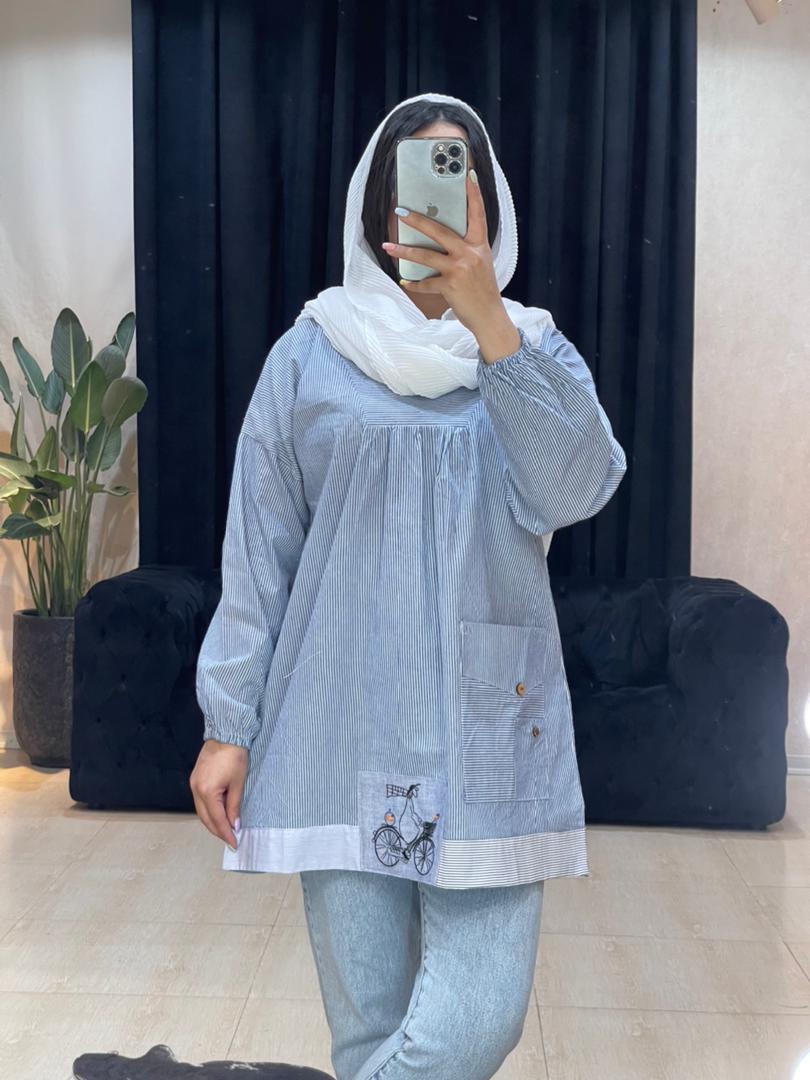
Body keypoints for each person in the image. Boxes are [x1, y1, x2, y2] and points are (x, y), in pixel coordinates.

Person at [190, 91, 627, 1080]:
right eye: (417, 177)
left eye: (457, 173)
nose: (438, 198)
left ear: (488, 202)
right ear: (379, 207)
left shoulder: (534, 349)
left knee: (479, 1019)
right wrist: (229, 723)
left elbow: (577, 487)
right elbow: (259, 548)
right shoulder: (310, 355)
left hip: (486, 729)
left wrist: (487, 320)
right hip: (340, 718)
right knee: (368, 1032)